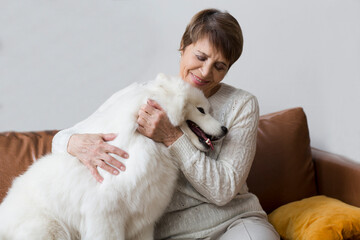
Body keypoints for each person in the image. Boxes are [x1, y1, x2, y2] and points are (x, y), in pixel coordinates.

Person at [52, 8, 280, 240]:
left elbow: (223, 191)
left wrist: (172, 137)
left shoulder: (242, 104)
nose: (205, 72)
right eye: (200, 57)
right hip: (168, 233)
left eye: (219, 66)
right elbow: (60, 139)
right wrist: (74, 142)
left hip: (233, 223)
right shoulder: (143, 95)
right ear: (183, 45)